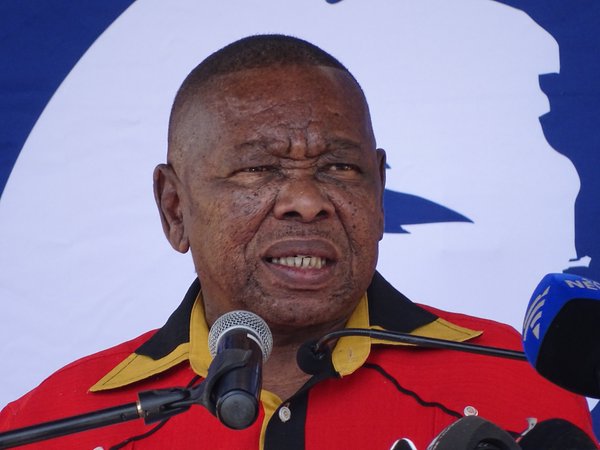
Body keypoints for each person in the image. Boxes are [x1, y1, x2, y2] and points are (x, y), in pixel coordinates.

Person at [0, 34, 594, 450]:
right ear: (175, 208)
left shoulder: (526, 380)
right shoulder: (51, 425)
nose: (307, 201)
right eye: (258, 169)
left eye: (339, 168)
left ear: (378, 192)